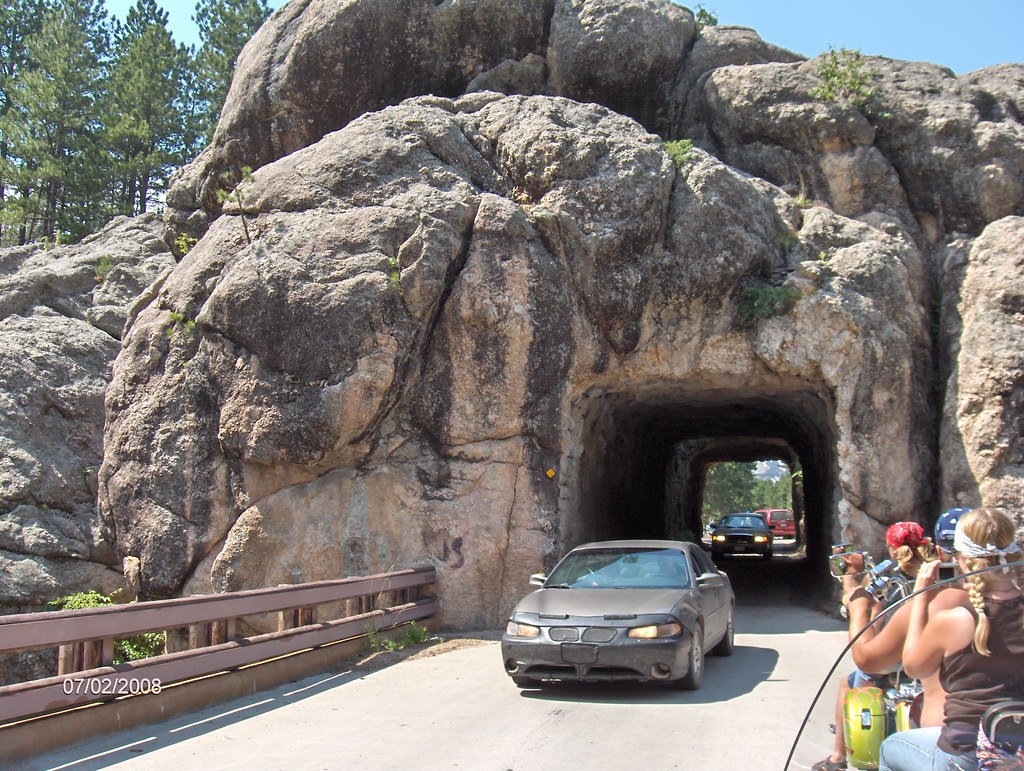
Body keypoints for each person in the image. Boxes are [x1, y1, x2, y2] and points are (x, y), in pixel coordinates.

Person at [877, 508, 1024, 771]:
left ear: (962, 559)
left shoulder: (955, 619)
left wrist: (920, 598)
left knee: (890, 748)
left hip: (967, 753)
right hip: (1020, 753)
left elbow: (914, 667)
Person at [814, 522, 941, 770]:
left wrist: (849, 576)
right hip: (930, 653)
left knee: (849, 682)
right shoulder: (935, 571)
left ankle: (838, 758)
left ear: (893, 548)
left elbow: (858, 604)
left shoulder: (887, 577)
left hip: (894, 656)